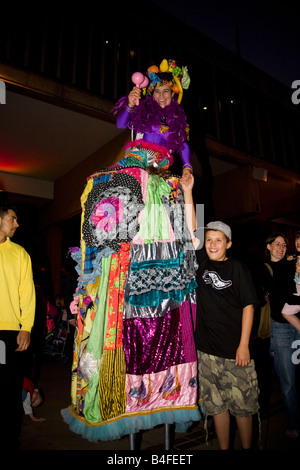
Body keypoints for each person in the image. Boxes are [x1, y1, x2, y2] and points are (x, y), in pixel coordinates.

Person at [62, 59, 201, 444]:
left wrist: (186, 180)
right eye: (157, 89)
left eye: (167, 91)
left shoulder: (180, 133)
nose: (161, 94)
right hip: (137, 188)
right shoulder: (139, 115)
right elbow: (122, 125)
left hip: (166, 195)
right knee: (112, 228)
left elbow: (185, 164)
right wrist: (131, 99)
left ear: (175, 96)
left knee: (188, 242)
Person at [182, 176, 259, 450]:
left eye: (219, 240)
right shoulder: (202, 263)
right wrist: (188, 192)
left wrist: (243, 345)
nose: (212, 244)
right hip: (206, 352)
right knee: (217, 407)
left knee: (243, 406)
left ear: (228, 244)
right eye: (210, 239)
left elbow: (249, 305)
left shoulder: (237, 268)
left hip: (235, 353)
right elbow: (192, 229)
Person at [0, 203, 36, 449]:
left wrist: (26, 327)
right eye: (13, 218)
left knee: (8, 388)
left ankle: (8, 438)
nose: (17, 224)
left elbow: (28, 294)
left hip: (7, 332)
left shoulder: (20, 254)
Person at [261, 232, 300, 439]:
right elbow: (277, 294)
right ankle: (294, 424)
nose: (281, 248)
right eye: (276, 244)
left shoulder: (292, 264)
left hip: (297, 324)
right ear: (268, 247)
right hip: (281, 329)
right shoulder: (264, 269)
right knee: (288, 382)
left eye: (284, 245)